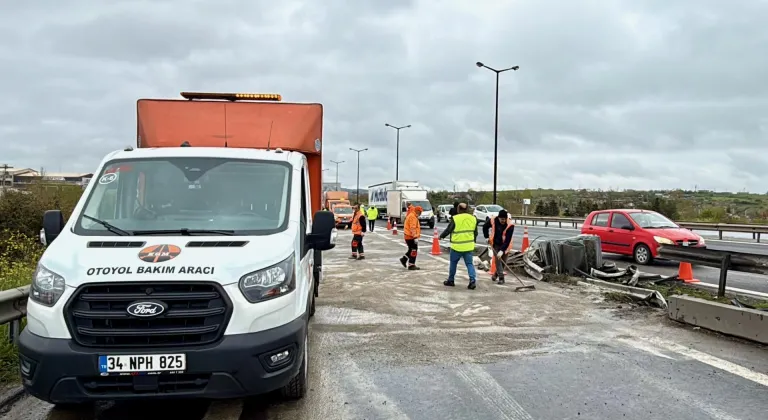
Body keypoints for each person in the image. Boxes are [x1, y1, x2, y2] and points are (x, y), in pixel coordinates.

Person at [439, 203, 478, 289]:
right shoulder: (473, 218)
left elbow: (449, 229)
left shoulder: (456, 218)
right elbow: (475, 233)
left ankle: (451, 280)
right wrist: (473, 242)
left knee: (453, 263)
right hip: (468, 246)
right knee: (469, 264)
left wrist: (441, 236)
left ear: (458, 209)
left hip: (457, 246)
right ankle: (472, 280)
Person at [482, 209, 514, 284]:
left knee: (503, 262)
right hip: (495, 243)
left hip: (506, 245)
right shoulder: (493, 220)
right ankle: (501, 278)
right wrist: (486, 237)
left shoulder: (510, 225)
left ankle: (495, 275)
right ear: (498, 217)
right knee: (498, 260)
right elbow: (485, 227)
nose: (503, 221)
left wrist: (502, 250)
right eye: (501, 219)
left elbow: (507, 240)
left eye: (504, 219)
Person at [400, 205, 422, 270]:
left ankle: (404, 259)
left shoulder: (412, 215)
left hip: (408, 236)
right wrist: (415, 237)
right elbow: (412, 228)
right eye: (420, 212)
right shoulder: (413, 217)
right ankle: (411, 264)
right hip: (411, 236)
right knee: (414, 250)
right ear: (417, 211)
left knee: (410, 249)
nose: (421, 213)